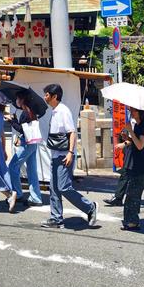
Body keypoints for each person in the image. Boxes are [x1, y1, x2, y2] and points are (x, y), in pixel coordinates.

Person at [41, 84, 98, 229]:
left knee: (64, 187)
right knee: (54, 188)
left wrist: (70, 153)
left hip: (64, 155)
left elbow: (72, 132)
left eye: (47, 95)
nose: (45, 97)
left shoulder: (63, 111)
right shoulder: (54, 111)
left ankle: (90, 207)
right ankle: (56, 218)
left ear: (54, 96)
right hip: (55, 155)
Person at [6, 93, 43, 211]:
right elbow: (23, 127)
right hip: (32, 143)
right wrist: (15, 120)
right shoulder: (29, 111)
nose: (16, 100)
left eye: (17, 98)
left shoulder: (26, 112)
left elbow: (21, 129)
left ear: (22, 100)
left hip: (26, 143)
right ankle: (36, 198)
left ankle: (17, 194)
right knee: (32, 170)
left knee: (13, 166)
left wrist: (11, 121)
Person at [104, 130, 131, 206]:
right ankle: (118, 198)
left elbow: (137, 137)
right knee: (125, 173)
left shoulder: (140, 122)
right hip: (129, 146)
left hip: (135, 149)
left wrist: (125, 143)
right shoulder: (131, 120)